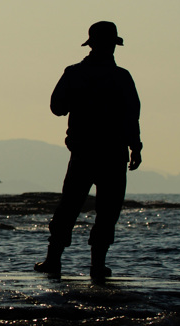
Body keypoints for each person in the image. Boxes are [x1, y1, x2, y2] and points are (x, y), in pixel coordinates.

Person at [35, 21, 142, 281]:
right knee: (107, 211)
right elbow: (132, 116)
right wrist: (135, 147)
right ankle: (96, 266)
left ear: (90, 44)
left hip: (84, 153)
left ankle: (53, 260)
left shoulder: (74, 73)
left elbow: (57, 107)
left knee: (70, 207)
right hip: (111, 154)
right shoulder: (121, 77)